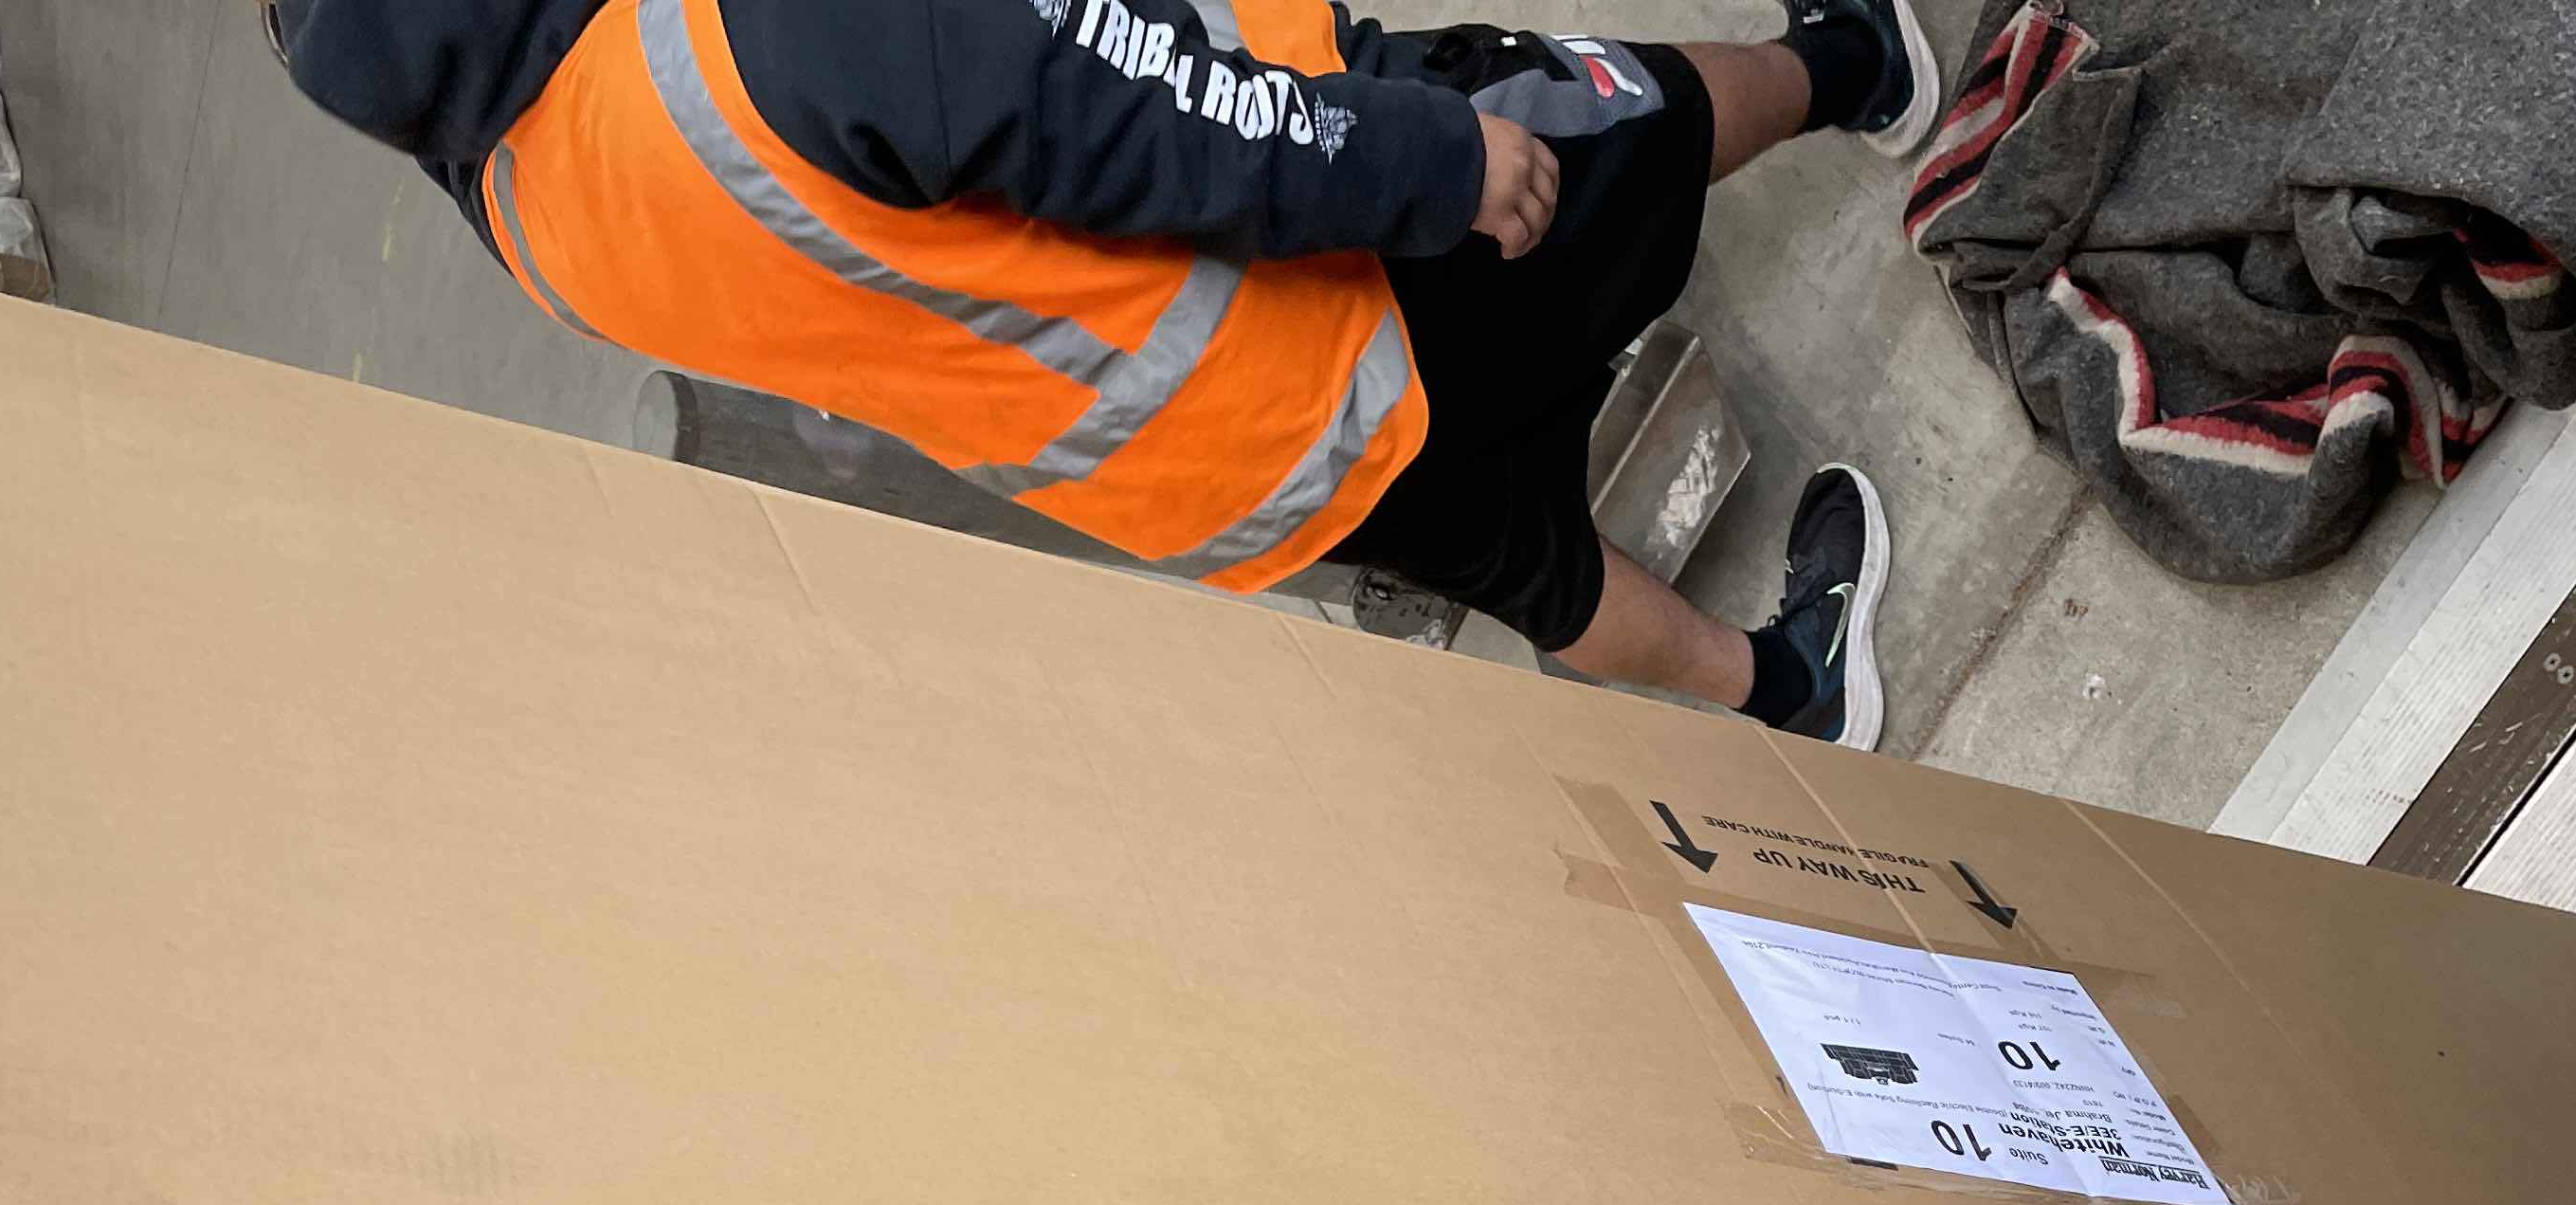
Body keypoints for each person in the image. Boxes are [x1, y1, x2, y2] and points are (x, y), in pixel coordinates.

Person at [269, 0, 1933, 747]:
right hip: (1332, 271)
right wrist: (1430, 162)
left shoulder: (527, 209)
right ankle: (1860, 64)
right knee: (1624, 118)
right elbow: (1141, 118)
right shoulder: (760, 30)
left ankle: (1789, 691)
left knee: (1527, 562)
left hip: (1207, 464)